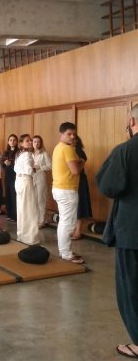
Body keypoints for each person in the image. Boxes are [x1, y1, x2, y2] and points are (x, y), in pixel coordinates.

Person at [96, 104, 138, 359]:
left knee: (132, 288)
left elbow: (108, 186)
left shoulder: (125, 151)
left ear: (132, 121)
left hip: (132, 230)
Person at [51, 122, 85, 264]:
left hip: (59, 188)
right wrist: (82, 162)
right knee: (68, 223)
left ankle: (64, 251)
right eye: (69, 134)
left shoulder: (58, 147)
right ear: (62, 134)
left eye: (74, 134)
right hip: (67, 190)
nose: (72, 137)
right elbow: (75, 170)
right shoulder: (68, 149)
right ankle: (66, 253)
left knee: (64, 222)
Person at [14, 134, 40, 245]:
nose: (30, 142)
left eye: (30, 140)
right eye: (27, 141)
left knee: (21, 209)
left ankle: (21, 235)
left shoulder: (19, 154)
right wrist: (34, 169)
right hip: (25, 181)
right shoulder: (27, 154)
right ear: (21, 143)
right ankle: (30, 238)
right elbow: (29, 170)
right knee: (30, 210)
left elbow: (16, 168)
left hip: (19, 181)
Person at [71, 135, 92, 240]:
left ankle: (78, 230)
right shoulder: (68, 150)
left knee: (80, 205)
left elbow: (78, 168)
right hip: (71, 182)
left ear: (77, 141)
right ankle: (74, 229)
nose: (71, 140)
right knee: (73, 206)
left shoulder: (79, 151)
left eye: (74, 139)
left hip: (80, 181)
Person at [32, 135, 52, 229]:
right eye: (35, 141)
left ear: (41, 143)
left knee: (41, 199)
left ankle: (42, 221)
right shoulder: (30, 154)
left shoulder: (44, 153)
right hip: (31, 178)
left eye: (38, 142)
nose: (36, 143)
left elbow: (50, 166)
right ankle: (39, 219)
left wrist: (40, 167)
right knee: (34, 200)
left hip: (41, 177)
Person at [3, 134, 19, 223]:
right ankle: (9, 214)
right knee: (8, 194)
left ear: (17, 142)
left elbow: (19, 163)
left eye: (14, 140)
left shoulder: (18, 152)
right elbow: (2, 163)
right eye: (11, 140)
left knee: (14, 195)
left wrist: (11, 163)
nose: (12, 142)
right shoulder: (6, 152)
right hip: (7, 175)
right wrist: (5, 162)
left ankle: (15, 215)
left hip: (15, 176)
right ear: (8, 142)